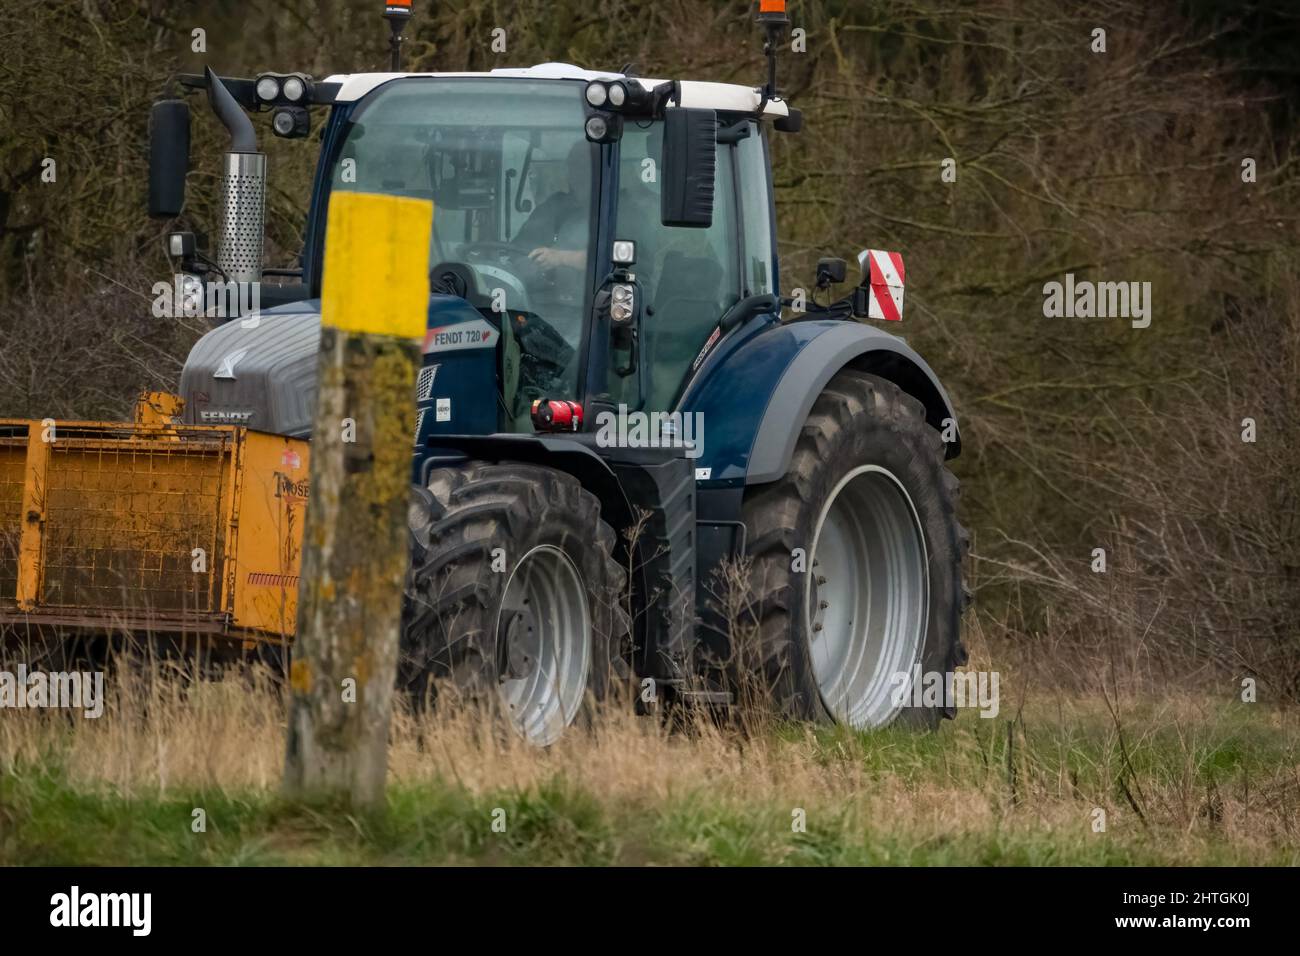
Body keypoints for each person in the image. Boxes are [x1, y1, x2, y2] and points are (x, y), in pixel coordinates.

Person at [513, 140, 591, 274]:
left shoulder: (620, 211)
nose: (577, 174)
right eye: (574, 166)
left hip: (598, 291)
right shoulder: (554, 206)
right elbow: (518, 248)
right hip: (545, 290)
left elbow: (614, 261)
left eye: (584, 167)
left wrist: (562, 258)